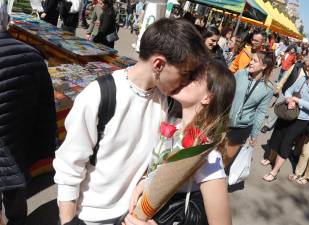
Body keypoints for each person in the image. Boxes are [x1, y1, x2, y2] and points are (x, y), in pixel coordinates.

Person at [53, 18, 209, 225]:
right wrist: (68, 221)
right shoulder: (99, 96)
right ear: (159, 64)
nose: (185, 81)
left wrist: (146, 180)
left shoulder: (167, 99)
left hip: (134, 215)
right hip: (91, 218)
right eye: (184, 73)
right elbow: (69, 168)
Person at [124, 60, 235, 225]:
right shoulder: (172, 124)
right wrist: (144, 181)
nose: (182, 78)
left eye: (192, 77)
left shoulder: (206, 155)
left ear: (207, 97)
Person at [0, 2, 57, 224]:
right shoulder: (32, 55)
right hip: (17, 142)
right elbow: (45, 110)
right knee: (16, 194)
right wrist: (44, 145)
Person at [262, 57, 309, 182]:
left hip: (301, 119)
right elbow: (289, 91)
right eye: (308, 65)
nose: (308, 68)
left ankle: (274, 171)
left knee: (286, 143)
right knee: (277, 135)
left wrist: (296, 100)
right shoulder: (304, 79)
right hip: (288, 112)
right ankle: (270, 158)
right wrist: (289, 99)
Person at [225, 51, 275, 166]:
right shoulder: (240, 74)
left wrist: (254, 134)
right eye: (251, 60)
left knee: (225, 159)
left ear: (264, 66)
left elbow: (261, 112)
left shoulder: (268, 89)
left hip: (242, 128)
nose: (250, 62)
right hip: (224, 121)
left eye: (255, 61)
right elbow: (227, 93)